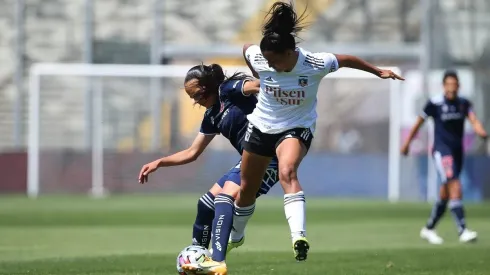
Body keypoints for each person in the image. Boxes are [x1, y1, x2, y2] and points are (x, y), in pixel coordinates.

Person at [193, 2, 405, 274]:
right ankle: (237, 237)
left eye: (275, 61)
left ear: (291, 53)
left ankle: (298, 237)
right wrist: (261, 72)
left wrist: (378, 71)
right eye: (266, 61)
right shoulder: (262, 59)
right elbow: (248, 48)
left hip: (295, 128)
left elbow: (348, 59)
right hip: (261, 127)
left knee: (287, 171)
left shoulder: (315, 63)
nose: (270, 65)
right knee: (246, 189)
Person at [138, 64, 298, 275]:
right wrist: (159, 162)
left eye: (197, 95)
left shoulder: (230, 90)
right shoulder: (212, 116)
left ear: (209, 86)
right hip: (249, 159)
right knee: (205, 204)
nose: (195, 101)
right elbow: (192, 152)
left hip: (270, 156)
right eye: (191, 97)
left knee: (224, 197)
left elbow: (259, 85)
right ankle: (199, 258)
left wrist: (282, 94)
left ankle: (218, 261)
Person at [401, 70, 487, 244]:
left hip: (457, 152)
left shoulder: (463, 103)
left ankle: (429, 228)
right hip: (441, 150)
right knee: (454, 183)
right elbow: (418, 124)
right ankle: (462, 230)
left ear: (458, 86)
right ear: (443, 86)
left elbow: (474, 120)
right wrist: (407, 143)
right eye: (448, 85)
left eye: (454, 85)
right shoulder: (435, 103)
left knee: (446, 193)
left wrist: (482, 133)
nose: (451, 88)